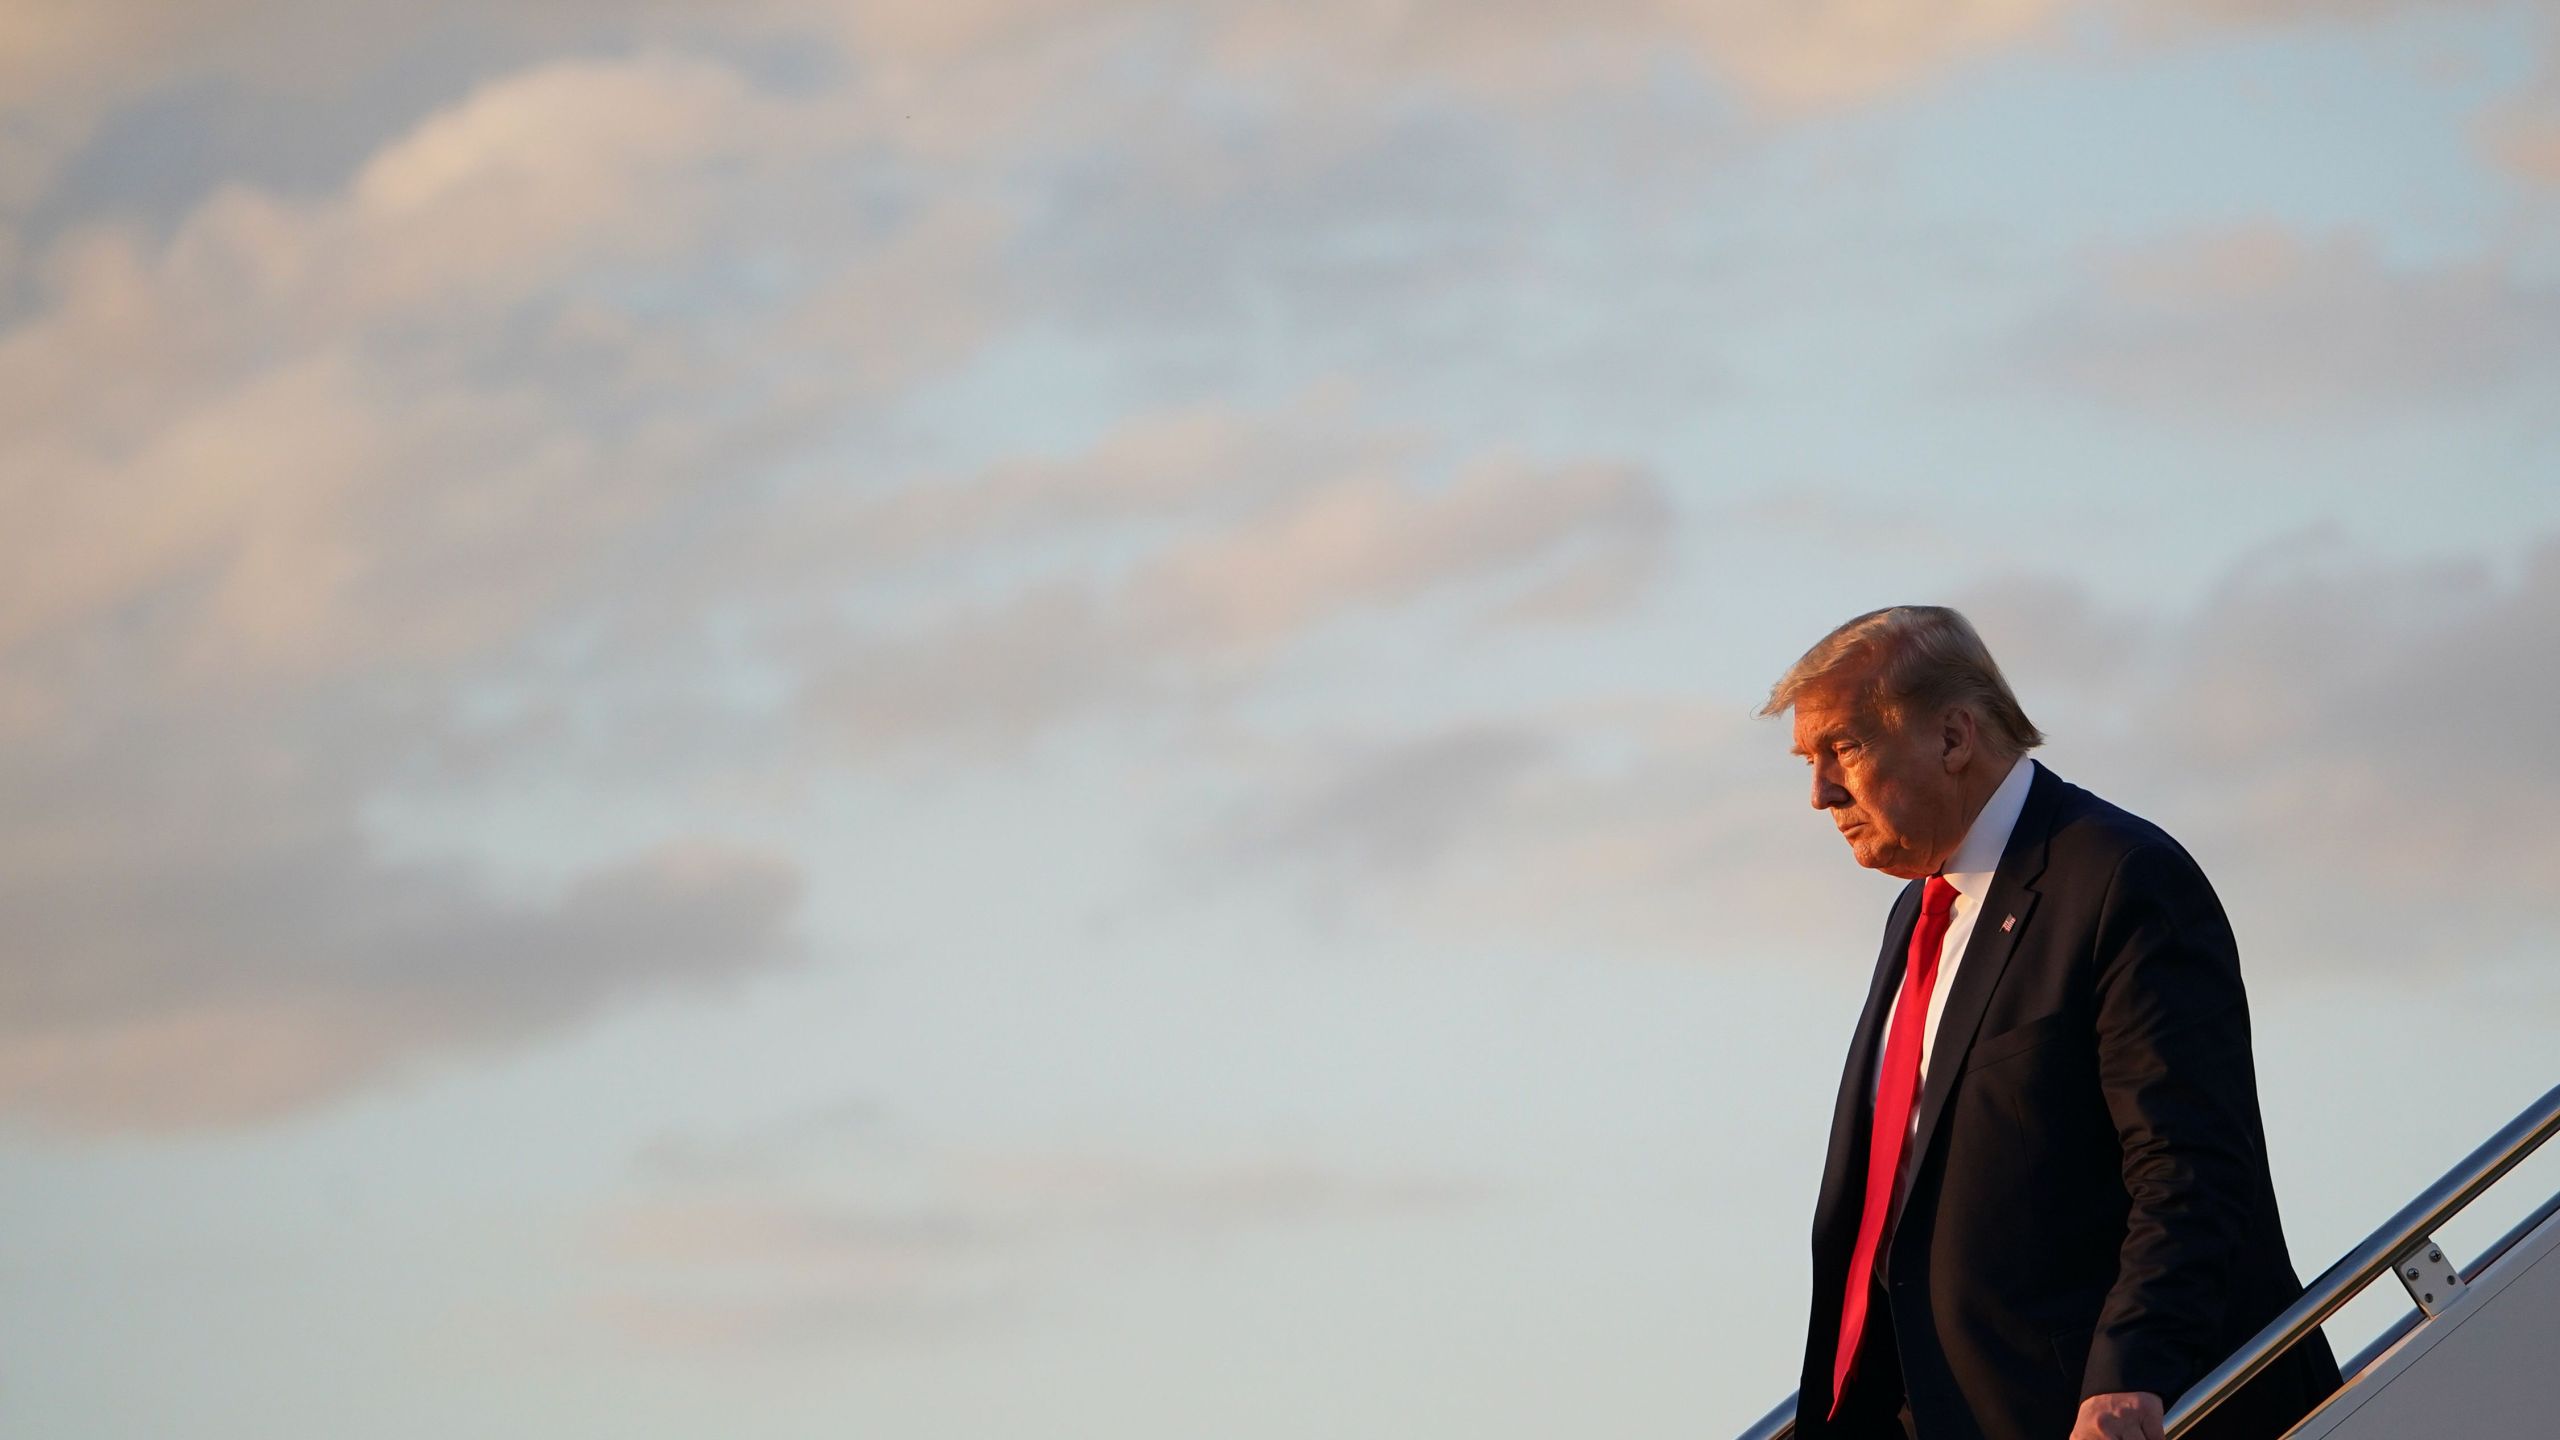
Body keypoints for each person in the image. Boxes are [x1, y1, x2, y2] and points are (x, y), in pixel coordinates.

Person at [1762, 606, 2339, 1440]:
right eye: (1808, 761)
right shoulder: (1915, 917)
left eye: (1843, 748)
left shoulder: (2120, 878)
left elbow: (2189, 1163)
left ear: (1955, 737)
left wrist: (2133, 1373)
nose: (1819, 794)